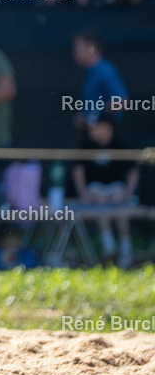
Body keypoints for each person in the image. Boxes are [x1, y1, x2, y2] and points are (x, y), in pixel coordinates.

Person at [71, 113, 139, 267]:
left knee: (117, 196)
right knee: (99, 196)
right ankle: (109, 247)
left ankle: (126, 246)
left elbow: (133, 171)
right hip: (96, 188)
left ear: (107, 127)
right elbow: (78, 170)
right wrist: (83, 194)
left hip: (116, 188)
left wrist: (128, 193)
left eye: (95, 127)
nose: (92, 131)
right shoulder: (86, 144)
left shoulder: (120, 144)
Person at [72, 30, 128, 126]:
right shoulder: (89, 73)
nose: (74, 52)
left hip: (105, 134)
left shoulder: (105, 71)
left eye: (78, 47)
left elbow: (122, 102)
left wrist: (99, 117)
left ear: (91, 48)